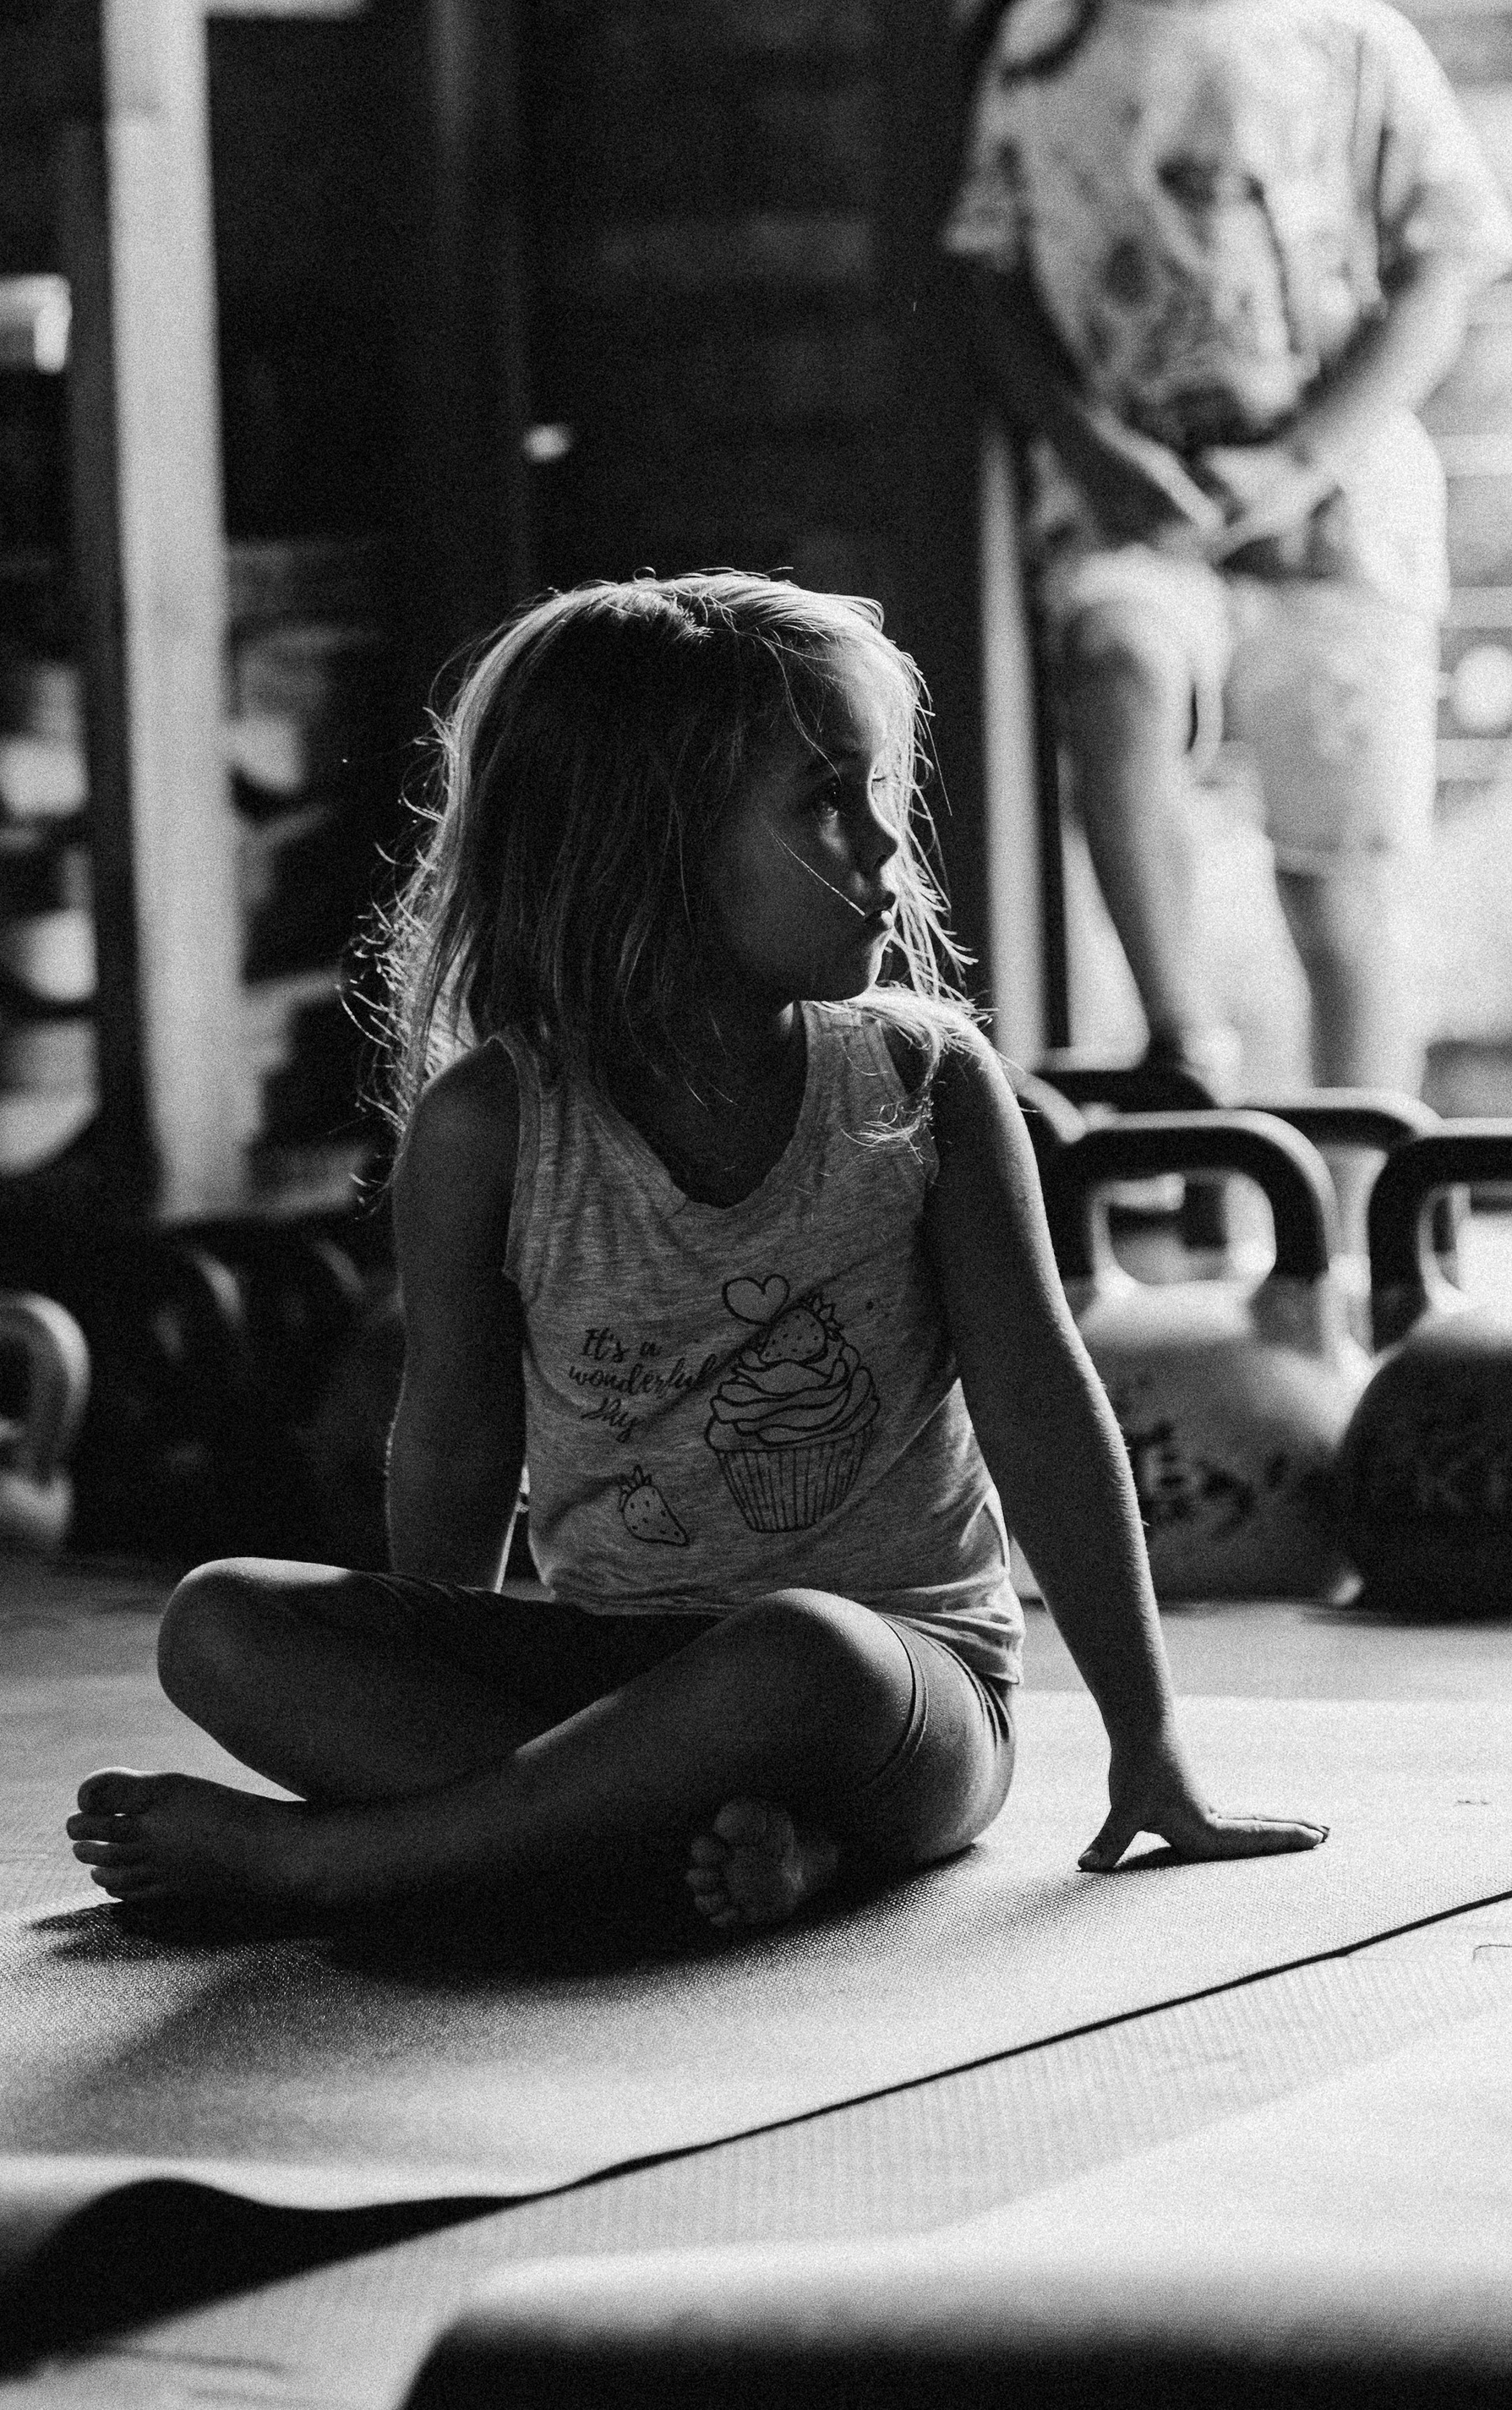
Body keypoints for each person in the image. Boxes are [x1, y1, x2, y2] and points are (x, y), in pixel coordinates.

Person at [67, 571, 1323, 1942]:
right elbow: (455, 1439)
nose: (885, 849)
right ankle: (691, 1853)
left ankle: (357, 1864)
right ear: (647, 849)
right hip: (614, 1682)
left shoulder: (923, 1083)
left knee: (796, 1647)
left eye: (879, 791)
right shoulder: (493, 1127)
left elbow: (1041, 1407)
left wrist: (1150, 1741)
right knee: (219, 1621)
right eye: (823, 803)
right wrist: (429, 1656)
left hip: (897, 1694)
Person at [949, 0, 1512, 1099]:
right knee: (1118, 668)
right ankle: (1181, 1034)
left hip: (1336, 530)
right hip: (1144, 512)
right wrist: (1088, 448)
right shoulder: (1044, 60)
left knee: (1344, 890)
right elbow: (992, 274)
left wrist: (1305, 455)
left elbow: (1440, 271)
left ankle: (1353, 1236)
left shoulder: (1358, 53)